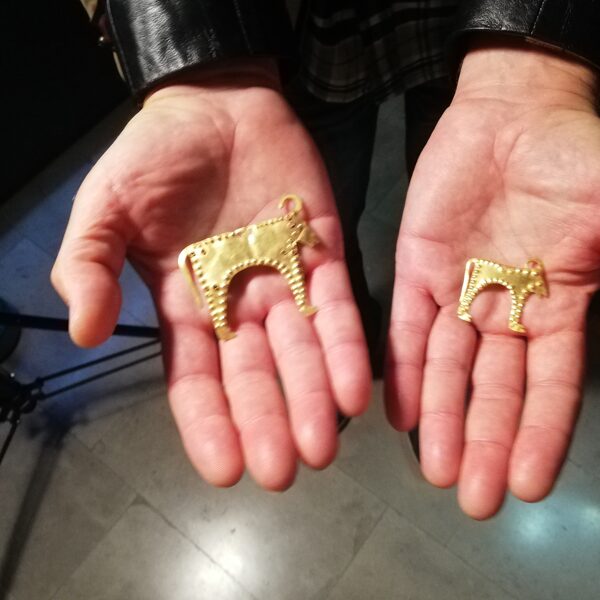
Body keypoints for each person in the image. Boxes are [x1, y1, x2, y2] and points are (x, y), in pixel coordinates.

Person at [52, 0, 600, 520]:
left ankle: (408, 371)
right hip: (293, 30)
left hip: (468, 31)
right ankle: (349, 337)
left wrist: (541, 57)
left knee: (431, 171)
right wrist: (203, 60)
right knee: (332, 201)